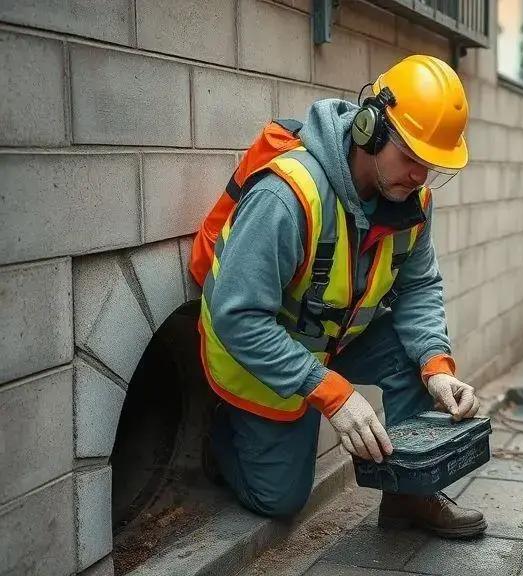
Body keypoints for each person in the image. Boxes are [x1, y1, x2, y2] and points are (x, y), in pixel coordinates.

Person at [196, 55, 487, 538]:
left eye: (431, 165)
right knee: (281, 500)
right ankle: (224, 437)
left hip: (334, 340)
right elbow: (238, 316)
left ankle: (407, 497)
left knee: (416, 361)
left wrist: (436, 365)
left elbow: (419, 285)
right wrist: (331, 392)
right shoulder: (287, 195)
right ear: (370, 128)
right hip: (256, 351)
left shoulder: (411, 203)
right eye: (411, 157)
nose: (420, 176)